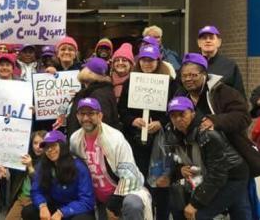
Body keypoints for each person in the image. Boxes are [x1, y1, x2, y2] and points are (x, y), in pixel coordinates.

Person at [164, 96, 252, 220]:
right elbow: (174, 159)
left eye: (182, 114)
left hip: (232, 176)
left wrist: (196, 203)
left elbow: (217, 174)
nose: (178, 119)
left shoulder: (207, 133)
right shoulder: (172, 132)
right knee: (178, 207)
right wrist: (179, 170)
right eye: (173, 116)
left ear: (193, 113)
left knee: (198, 214)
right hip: (207, 175)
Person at [174, 53, 260, 176]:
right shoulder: (180, 96)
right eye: (184, 76)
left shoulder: (224, 92)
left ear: (204, 74)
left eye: (193, 75)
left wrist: (216, 121)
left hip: (231, 165)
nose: (188, 79)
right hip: (199, 167)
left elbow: (244, 117)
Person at [117, 45, 177, 220]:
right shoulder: (131, 81)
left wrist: (161, 122)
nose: (147, 63)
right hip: (137, 142)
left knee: (162, 184)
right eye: (143, 59)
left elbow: (174, 109)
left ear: (158, 61)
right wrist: (132, 120)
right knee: (141, 182)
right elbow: (122, 109)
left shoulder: (170, 82)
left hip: (161, 143)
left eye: (151, 60)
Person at [69, 98, 152, 220]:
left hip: (125, 194)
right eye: (82, 114)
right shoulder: (75, 139)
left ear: (100, 115)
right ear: (77, 116)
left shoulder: (115, 138)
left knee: (133, 205)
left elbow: (130, 175)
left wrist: (113, 205)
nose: (86, 118)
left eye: (91, 113)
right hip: (97, 199)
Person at [21, 130, 96, 220]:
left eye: (53, 145)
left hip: (75, 210)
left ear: (62, 145)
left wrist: (63, 212)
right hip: (55, 205)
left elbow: (87, 201)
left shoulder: (78, 167)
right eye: (46, 147)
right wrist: (42, 205)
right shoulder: (43, 165)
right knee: (28, 211)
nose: (49, 150)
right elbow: (36, 190)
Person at [64, 57, 119, 135]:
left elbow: (99, 124)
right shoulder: (97, 90)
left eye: (85, 67)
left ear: (89, 72)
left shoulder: (98, 94)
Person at [5, 131, 44, 220]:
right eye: (35, 143)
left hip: (35, 201)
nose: (38, 147)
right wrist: (5, 171)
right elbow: (12, 172)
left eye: (42, 143)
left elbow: (40, 184)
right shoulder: (25, 157)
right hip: (21, 198)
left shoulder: (47, 162)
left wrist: (30, 167)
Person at [196, 25, 246, 96]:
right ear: (199, 43)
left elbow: (240, 95)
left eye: (211, 38)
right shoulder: (190, 65)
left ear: (219, 42)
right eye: (204, 38)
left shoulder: (230, 66)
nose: (208, 40)